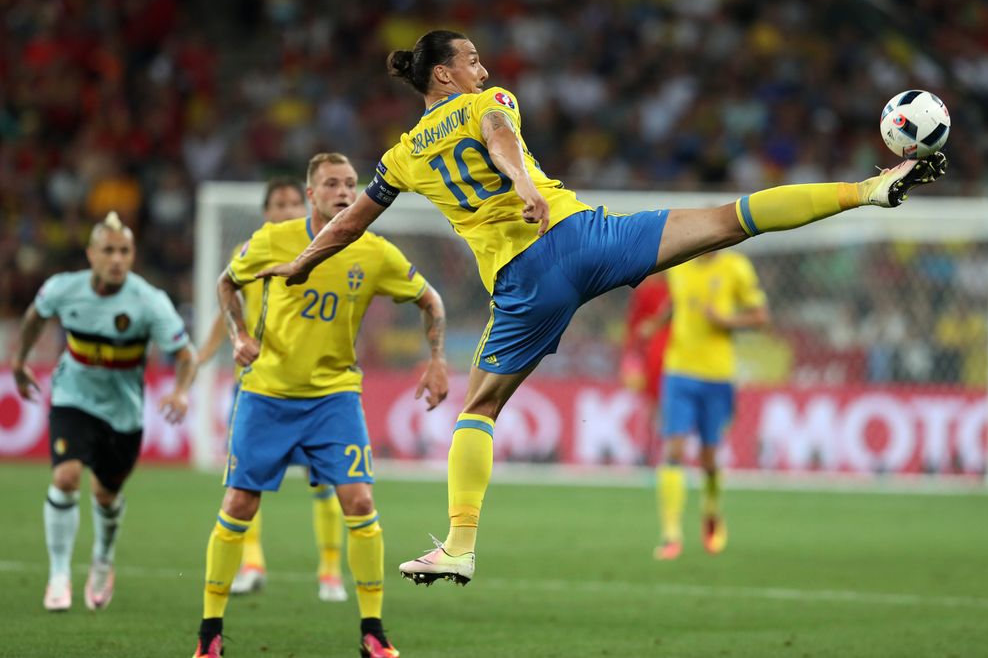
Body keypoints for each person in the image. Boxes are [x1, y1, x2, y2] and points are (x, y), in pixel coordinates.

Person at [256, 30, 948, 588]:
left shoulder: (400, 157)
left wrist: (302, 261)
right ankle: (865, 191)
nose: (482, 68)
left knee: (480, 409)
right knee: (728, 220)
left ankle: (460, 545)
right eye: (471, 59)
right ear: (443, 74)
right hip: (584, 237)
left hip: (525, 281)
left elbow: (351, 223)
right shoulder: (486, 100)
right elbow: (499, 135)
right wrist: (526, 183)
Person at [192, 152, 449, 658]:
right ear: (310, 194)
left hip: (334, 397)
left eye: (351, 183)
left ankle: (373, 632)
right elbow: (226, 282)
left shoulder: (374, 251)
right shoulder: (273, 239)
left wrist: (438, 360)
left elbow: (431, 300)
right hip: (267, 393)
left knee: (361, 502)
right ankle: (209, 635)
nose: (344, 191)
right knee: (239, 504)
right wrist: (238, 334)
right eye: (331, 183)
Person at [11, 211, 197, 612]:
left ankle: (102, 559)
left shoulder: (150, 301)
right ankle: (59, 574)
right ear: (91, 254)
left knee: (106, 495)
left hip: (123, 412)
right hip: (72, 397)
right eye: (109, 250)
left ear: (133, 255)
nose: (117, 259)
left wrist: (181, 391)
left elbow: (186, 355)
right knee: (65, 477)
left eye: (124, 251)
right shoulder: (63, 288)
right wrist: (20, 359)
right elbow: (34, 317)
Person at [195, 177, 350, 602]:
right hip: (258, 384)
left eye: (292, 203)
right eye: (277, 204)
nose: (286, 211)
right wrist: (207, 353)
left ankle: (330, 572)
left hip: (315, 385)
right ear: (266, 213)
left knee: (325, 483)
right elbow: (229, 306)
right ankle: (252, 565)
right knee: (246, 482)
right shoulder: (251, 251)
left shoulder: (326, 248)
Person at [653, 250, 769, 561]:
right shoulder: (679, 264)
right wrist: (657, 323)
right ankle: (671, 534)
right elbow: (678, 301)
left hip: (717, 376)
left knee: (709, 458)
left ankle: (712, 510)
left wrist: (726, 321)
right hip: (678, 372)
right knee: (674, 450)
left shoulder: (736, 267)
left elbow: (760, 316)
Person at [620, 275, 672, 465]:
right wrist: (630, 356)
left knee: (662, 405)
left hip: (674, 352)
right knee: (654, 405)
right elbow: (636, 326)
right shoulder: (648, 290)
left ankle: (656, 450)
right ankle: (649, 450)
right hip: (656, 353)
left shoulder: (678, 285)